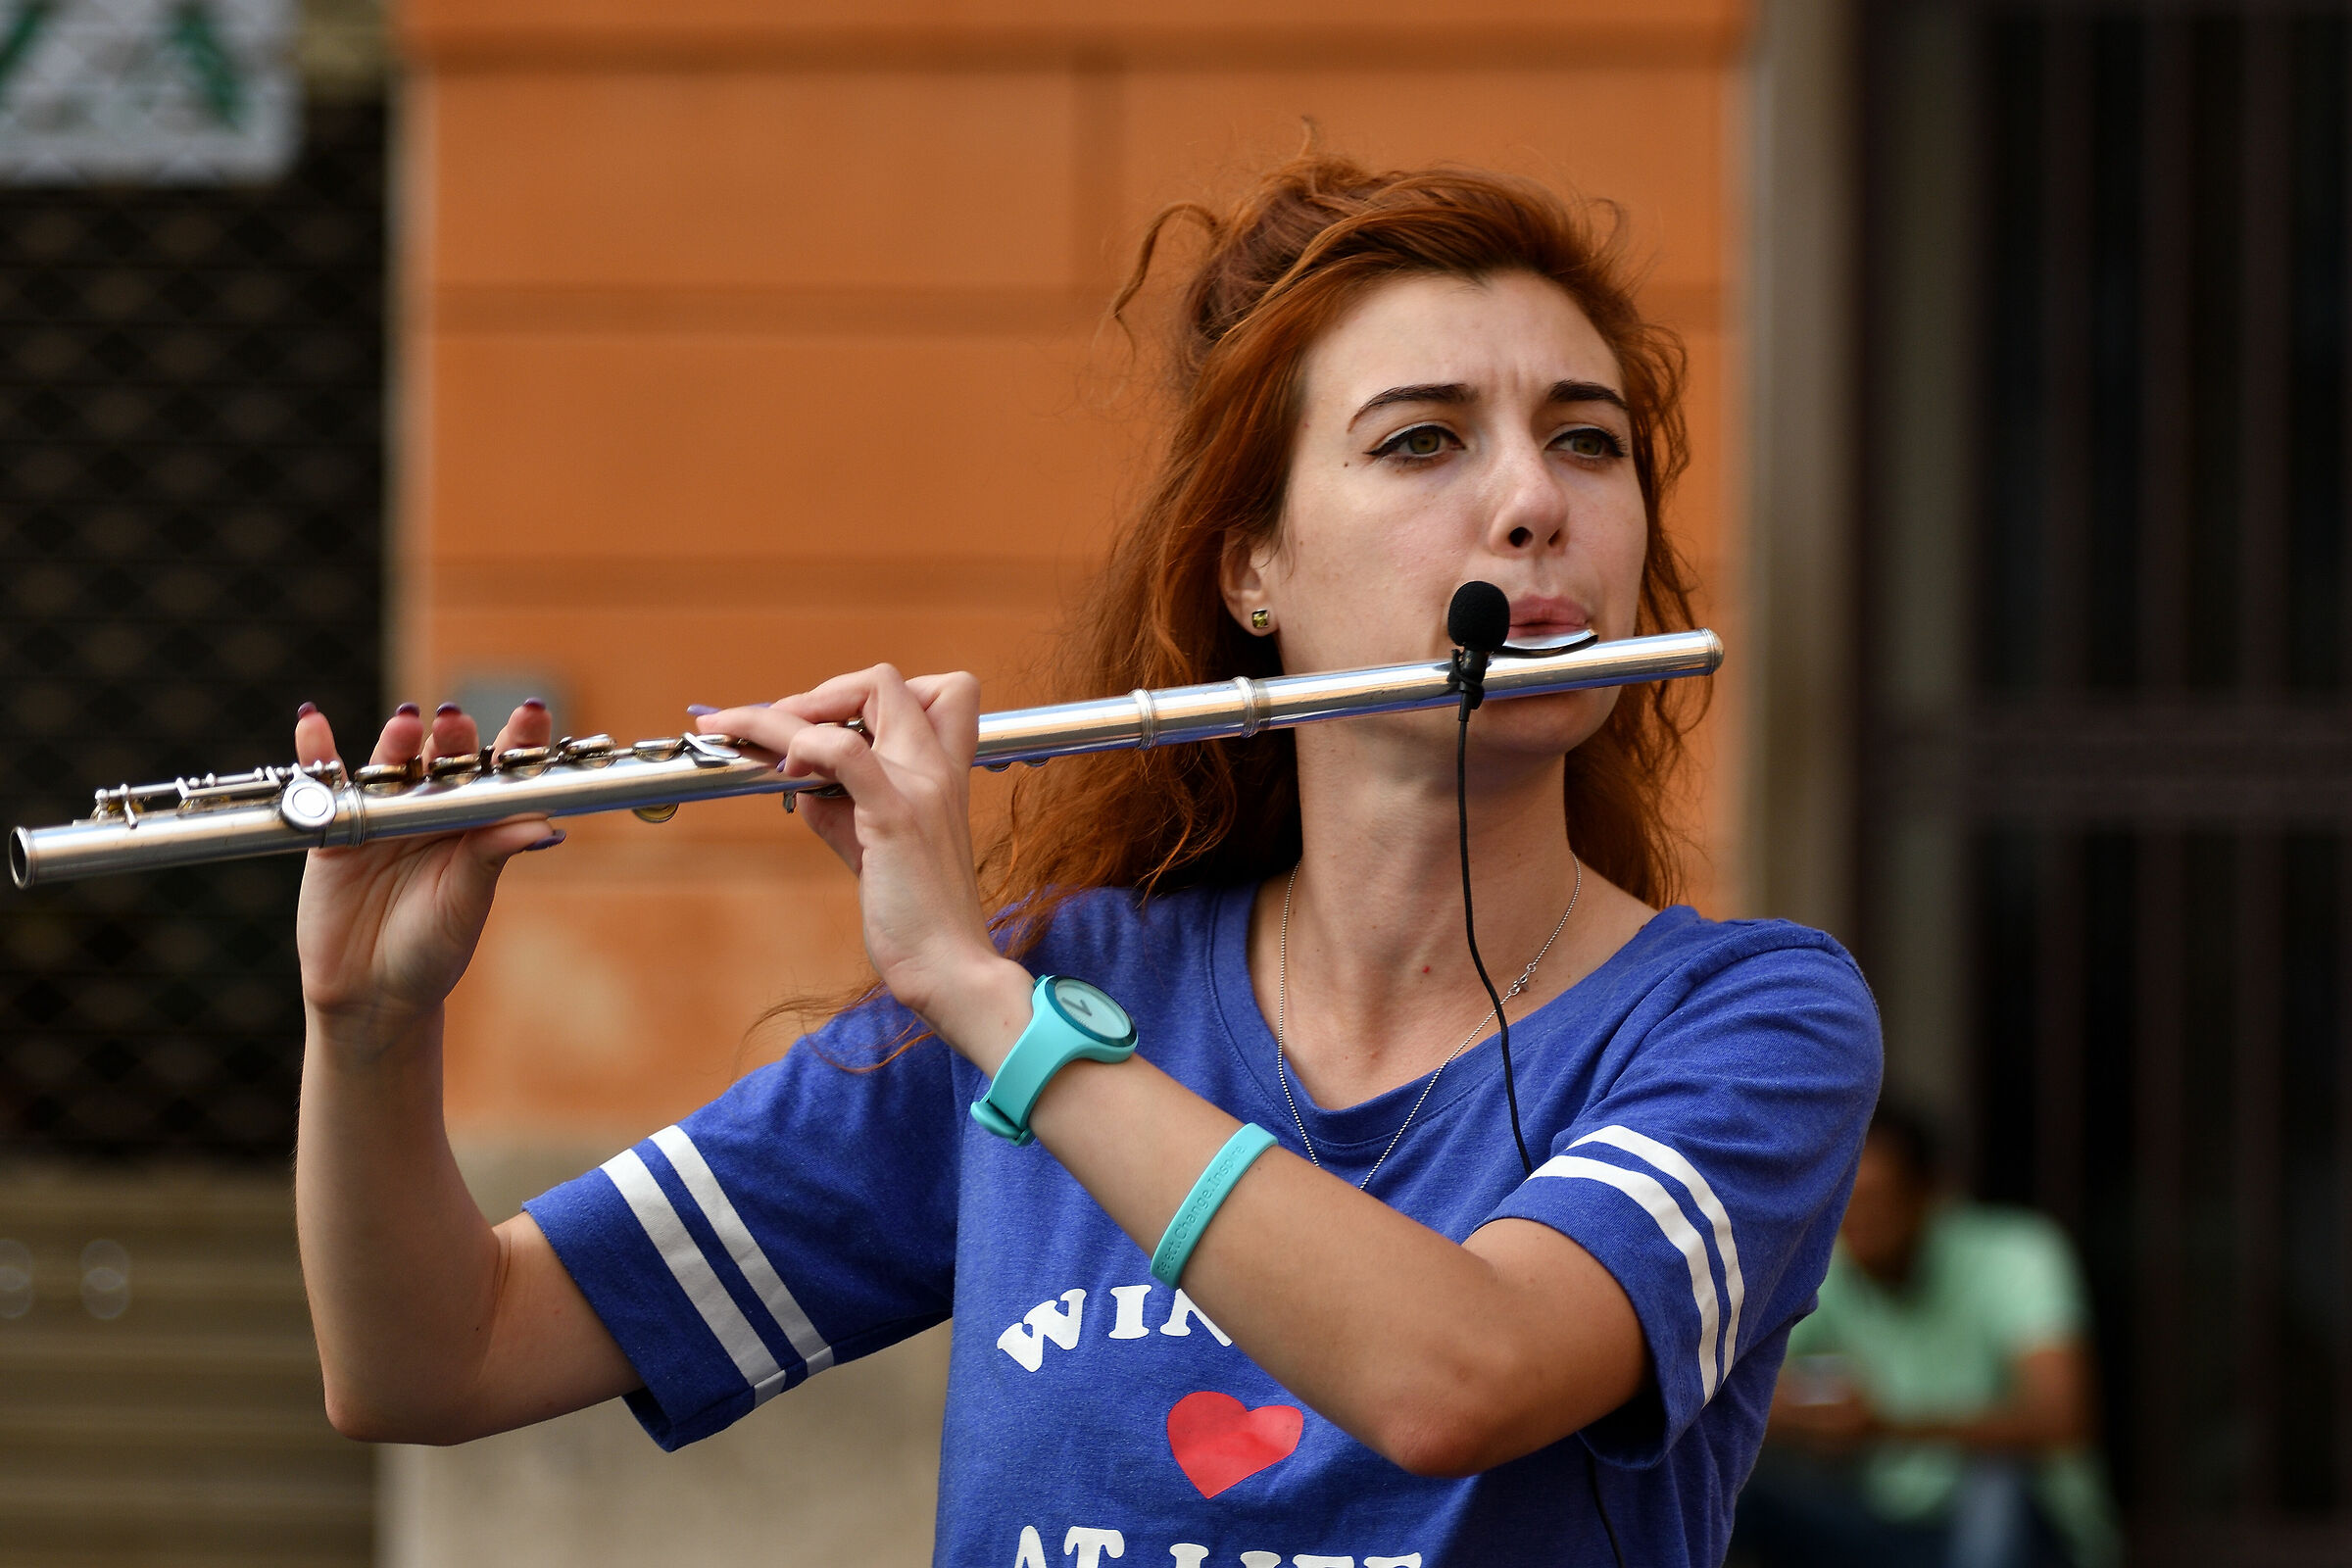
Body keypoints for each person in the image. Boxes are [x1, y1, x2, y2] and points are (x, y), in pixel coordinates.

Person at [288, 153, 1881, 1567]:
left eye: (1587, 444)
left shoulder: (1749, 1023)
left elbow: (1456, 1380)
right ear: (1251, 567)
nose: (1533, 503)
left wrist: (982, 1000)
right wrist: (368, 1030)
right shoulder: (1084, 978)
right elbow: (441, 1358)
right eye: (1424, 444)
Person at [1733, 1105, 2120, 1568]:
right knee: (1732, 1474)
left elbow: (2062, 1416)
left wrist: (1887, 1425)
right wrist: (1810, 1415)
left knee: (1996, 1479)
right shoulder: (1829, 1265)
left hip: (2021, 1531)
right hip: (1882, 1518)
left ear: (1929, 1195)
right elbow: (1738, 1394)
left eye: (1876, 1203)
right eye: (1843, 1205)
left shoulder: (2018, 1254)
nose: (1859, 1226)